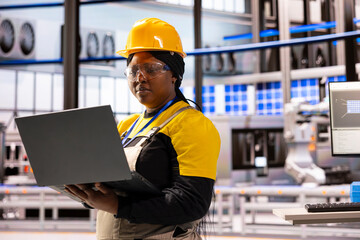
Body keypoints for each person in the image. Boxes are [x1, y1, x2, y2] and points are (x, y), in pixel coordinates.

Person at [65, 18, 221, 240]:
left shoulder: (191, 125)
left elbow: (191, 203)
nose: (140, 78)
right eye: (133, 70)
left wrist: (118, 204)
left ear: (174, 74)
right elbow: (110, 188)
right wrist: (88, 193)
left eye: (151, 69)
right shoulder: (126, 126)